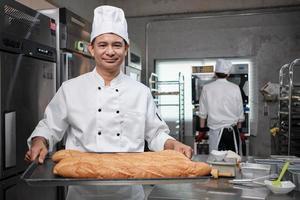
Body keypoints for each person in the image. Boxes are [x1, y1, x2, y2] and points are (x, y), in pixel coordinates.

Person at [24, 5, 192, 200]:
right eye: (103, 45)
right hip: (82, 192)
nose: (110, 51)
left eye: (117, 45)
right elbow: (49, 127)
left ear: (126, 49)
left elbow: (155, 134)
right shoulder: (70, 89)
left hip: (129, 192)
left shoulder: (141, 92)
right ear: (91, 49)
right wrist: (39, 141)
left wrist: (172, 144)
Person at [196, 59, 245, 154]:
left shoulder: (207, 88)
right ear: (228, 74)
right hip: (232, 132)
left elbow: (203, 113)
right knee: (233, 161)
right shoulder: (235, 88)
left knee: (216, 161)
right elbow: (240, 113)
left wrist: (202, 131)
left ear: (215, 73)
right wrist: (240, 131)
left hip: (215, 132)